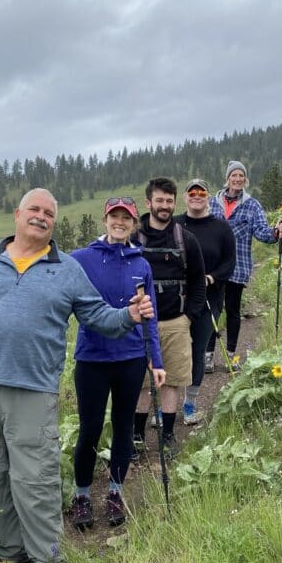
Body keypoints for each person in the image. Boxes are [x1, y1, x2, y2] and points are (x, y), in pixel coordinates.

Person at [0, 188, 154, 563]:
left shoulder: (68, 269)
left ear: (54, 223)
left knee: (35, 479)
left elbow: (99, 318)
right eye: (34, 210)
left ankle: (46, 561)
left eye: (49, 213)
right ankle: (11, 549)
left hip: (34, 391)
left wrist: (128, 315)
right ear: (17, 214)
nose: (41, 217)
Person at [68, 197, 165, 529]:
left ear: (134, 224)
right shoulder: (81, 259)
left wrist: (156, 359)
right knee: (90, 431)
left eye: (127, 218)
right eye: (114, 216)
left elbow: (150, 317)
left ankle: (115, 492)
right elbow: (48, 266)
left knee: (123, 429)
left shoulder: (142, 265)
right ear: (104, 219)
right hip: (92, 359)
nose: (120, 222)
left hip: (131, 359)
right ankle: (81, 496)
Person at [133, 177, 206, 456]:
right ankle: (137, 436)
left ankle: (167, 436)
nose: (165, 206)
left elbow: (198, 282)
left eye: (169, 201)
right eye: (160, 200)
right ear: (149, 202)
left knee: (172, 381)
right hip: (139, 324)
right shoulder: (133, 238)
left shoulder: (185, 239)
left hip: (176, 321)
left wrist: (189, 317)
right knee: (140, 383)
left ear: (174, 203)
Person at [209, 160, 282, 366]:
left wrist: (275, 232)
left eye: (241, 176)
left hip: (238, 265)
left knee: (233, 309)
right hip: (213, 267)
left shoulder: (252, 205)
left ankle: (232, 355)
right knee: (212, 310)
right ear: (227, 179)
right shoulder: (212, 202)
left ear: (245, 180)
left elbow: (262, 232)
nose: (237, 179)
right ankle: (207, 355)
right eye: (233, 175)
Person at [175, 178, 236, 421]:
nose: (197, 195)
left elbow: (229, 263)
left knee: (197, 350)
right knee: (171, 352)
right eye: (192, 192)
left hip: (209, 299)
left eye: (201, 192)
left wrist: (210, 278)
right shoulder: (175, 224)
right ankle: (165, 406)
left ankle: (189, 404)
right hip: (176, 301)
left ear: (208, 197)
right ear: (185, 197)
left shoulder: (221, 227)